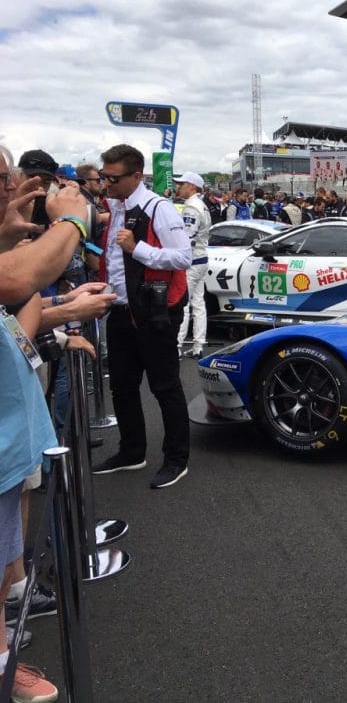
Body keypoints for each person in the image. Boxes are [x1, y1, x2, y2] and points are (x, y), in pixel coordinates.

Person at [0, 168, 99, 702]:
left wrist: (61, 314)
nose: (13, 189)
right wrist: (68, 223)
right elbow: (16, 287)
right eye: (1, 178)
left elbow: (10, 316)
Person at [91, 144, 192, 489]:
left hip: (155, 312)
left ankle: (177, 459)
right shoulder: (115, 208)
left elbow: (182, 257)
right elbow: (113, 261)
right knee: (121, 385)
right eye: (104, 176)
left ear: (136, 176)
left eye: (113, 177)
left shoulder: (158, 208)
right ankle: (132, 451)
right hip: (120, 309)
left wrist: (138, 248)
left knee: (165, 386)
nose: (107, 183)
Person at [174, 172, 212, 359]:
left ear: (192, 186)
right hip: (201, 258)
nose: (178, 186)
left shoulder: (192, 207)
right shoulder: (201, 205)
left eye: (182, 183)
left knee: (183, 304)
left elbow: (186, 238)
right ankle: (198, 345)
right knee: (198, 304)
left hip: (191, 261)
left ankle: (177, 346)